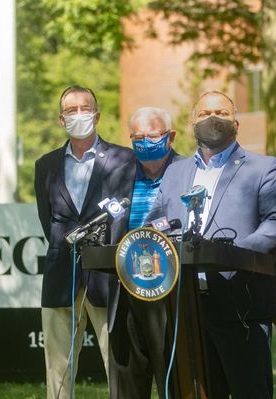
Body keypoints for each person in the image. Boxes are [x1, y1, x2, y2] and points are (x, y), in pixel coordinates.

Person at [146, 91, 276, 399]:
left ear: (236, 124)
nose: (213, 119)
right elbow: (156, 222)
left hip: (240, 301)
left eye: (222, 113)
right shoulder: (175, 172)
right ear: (191, 124)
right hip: (185, 306)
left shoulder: (262, 167)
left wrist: (234, 254)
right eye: (204, 114)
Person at [34, 85, 135, 399]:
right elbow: (46, 217)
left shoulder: (124, 159)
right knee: (58, 364)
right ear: (60, 119)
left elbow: (125, 212)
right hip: (61, 272)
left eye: (85, 107)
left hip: (107, 274)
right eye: (71, 110)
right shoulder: (45, 165)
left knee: (117, 360)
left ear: (98, 115)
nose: (79, 114)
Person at [109, 106, 181, 399]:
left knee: (174, 379)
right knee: (128, 382)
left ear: (170, 137)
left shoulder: (188, 172)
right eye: (138, 138)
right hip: (125, 288)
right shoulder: (117, 176)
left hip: (172, 291)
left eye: (153, 136)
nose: (145, 143)